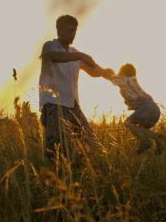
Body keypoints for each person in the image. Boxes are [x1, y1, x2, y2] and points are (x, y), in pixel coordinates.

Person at [39, 14, 113, 163]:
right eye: (69, 30)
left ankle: (76, 172)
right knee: (56, 150)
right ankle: (55, 179)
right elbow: (53, 56)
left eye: (75, 31)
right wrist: (80, 56)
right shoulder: (50, 46)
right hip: (54, 104)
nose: (72, 34)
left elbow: (93, 71)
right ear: (59, 29)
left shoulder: (75, 53)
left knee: (89, 144)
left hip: (73, 105)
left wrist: (107, 73)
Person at [105, 63, 166, 154]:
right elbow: (148, 99)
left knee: (128, 123)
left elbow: (110, 77)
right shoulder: (134, 84)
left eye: (120, 73)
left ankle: (151, 140)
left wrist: (106, 72)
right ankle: (150, 141)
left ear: (124, 73)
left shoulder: (126, 80)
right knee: (140, 130)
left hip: (146, 107)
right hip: (155, 110)